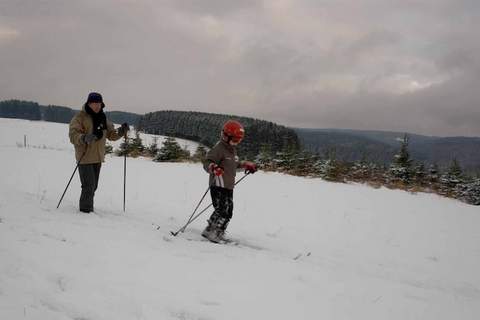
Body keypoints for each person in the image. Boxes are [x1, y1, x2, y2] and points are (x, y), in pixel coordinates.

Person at [69, 92, 130, 213]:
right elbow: (73, 135)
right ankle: (85, 211)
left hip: (98, 157)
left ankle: (88, 207)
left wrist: (122, 131)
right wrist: (83, 138)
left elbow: (112, 135)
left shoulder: (103, 118)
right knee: (89, 186)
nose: (97, 106)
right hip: (85, 156)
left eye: (99, 103)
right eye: (94, 103)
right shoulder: (80, 117)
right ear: (89, 103)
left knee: (93, 186)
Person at [201, 120, 257, 242]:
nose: (236, 143)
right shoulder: (219, 149)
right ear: (225, 136)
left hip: (228, 186)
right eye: (235, 140)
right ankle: (216, 233)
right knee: (225, 211)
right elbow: (207, 162)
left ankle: (210, 229)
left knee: (222, 209)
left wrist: (246, 165)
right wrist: (213, 168)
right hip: (218, 185)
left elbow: (234, 165)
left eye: (239, 140)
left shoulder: (232, 150)